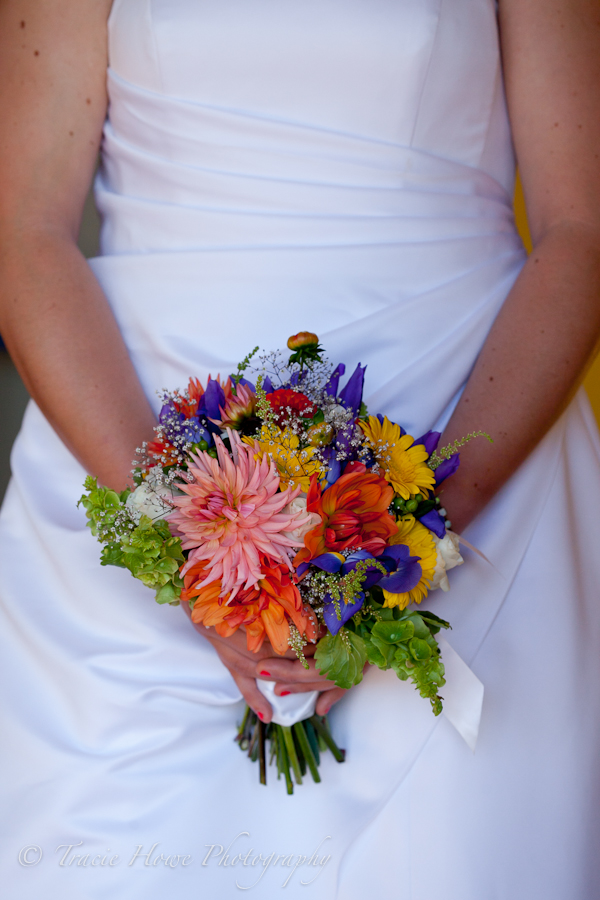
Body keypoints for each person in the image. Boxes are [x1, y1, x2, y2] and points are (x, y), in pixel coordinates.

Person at [1, 0, 599, 897]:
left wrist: (409, 536)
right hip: (132, 443)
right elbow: (23, 233)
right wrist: (185, 544)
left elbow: (580, 229)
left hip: (469, 443)